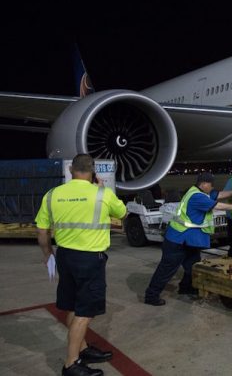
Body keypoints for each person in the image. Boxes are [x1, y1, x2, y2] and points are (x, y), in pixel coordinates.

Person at [35, 154, 127, 376]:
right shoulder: (102, 194)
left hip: (64, 256)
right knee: (85, 312)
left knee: (73, 306)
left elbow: (41, 231)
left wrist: (48, 253)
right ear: (93, 172)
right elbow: (122, 213)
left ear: (70, 171)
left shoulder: (52, 195)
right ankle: (71, 364)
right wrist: (102, 188)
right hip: (89, 259)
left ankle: (83, 349)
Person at [144, 172, 232, 306]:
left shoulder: (199, 191)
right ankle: (151, 295)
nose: (212, 187)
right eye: (211, 184)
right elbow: (218, 205)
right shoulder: (197, 197)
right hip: (177, 240)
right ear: (203, 184)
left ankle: (186, 288)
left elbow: (219, 195)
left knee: (192, 265)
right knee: (167, 269)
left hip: (188, 240)